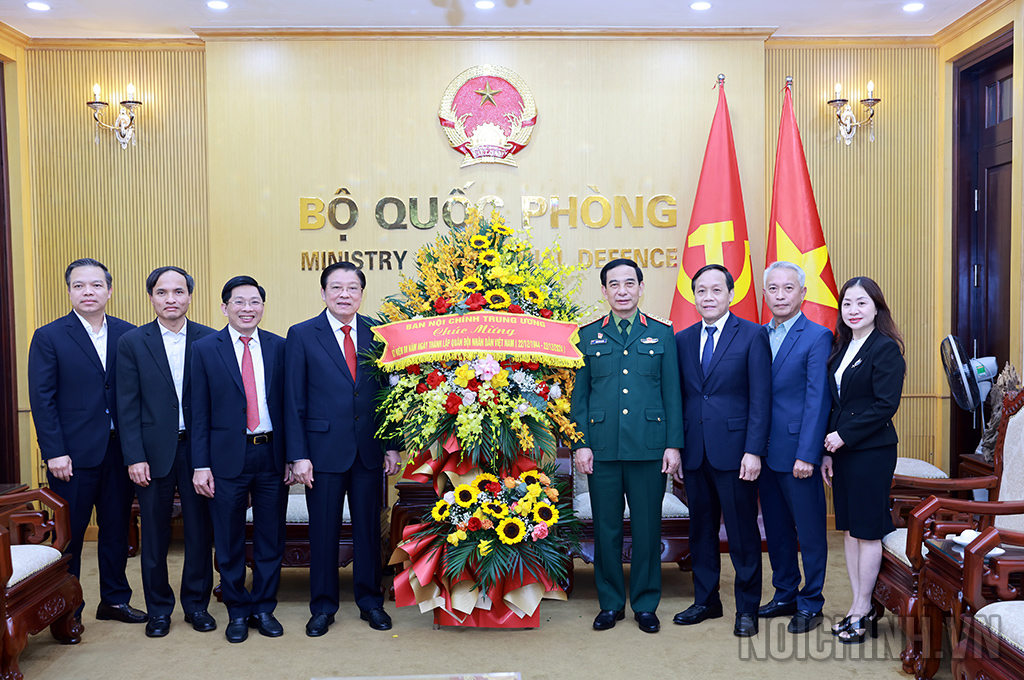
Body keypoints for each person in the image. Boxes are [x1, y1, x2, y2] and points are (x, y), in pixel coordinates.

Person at [284, 261, 401, 637]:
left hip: (368, 450)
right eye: (336, 287)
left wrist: (392, 445)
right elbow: (293, 400)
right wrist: (298, 455)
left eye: (352, 288)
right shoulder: (302, 334)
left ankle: (370, 602)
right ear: (323, 293)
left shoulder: (378, 335)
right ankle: (322, 607)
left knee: (368, 530)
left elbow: (388, 395)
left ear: (361, 294)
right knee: (324, 531)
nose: (344, 294)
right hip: (321, 452)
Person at [27, 258, 147, 625]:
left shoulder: (129, 334)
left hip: (119, 452)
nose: (88, 292)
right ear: (69, 291)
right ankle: (66, 608)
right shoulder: (49, 336)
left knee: (115, 530)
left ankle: (113, 600)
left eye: (96, 285)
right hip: (72, 456)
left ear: (109, 290)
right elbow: (42, 399)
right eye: (79, 285)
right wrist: (54, 452)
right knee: (70, 535)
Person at [569, 258, 683, 634]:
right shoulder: (586, 336)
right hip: (602, 449)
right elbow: (580, 399)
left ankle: (646, 604)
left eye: (629, 283)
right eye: (613, 285)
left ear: (640, 287)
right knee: (607, 529)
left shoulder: (662, 334)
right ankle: (611, 604)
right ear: (604, 291)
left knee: (648, 529)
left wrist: (673, 446)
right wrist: (580, 444)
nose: (622, 291)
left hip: (649, 449)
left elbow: (672, 395)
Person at [117, 266, 216, 638]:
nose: (171, 299)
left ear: (190, 296)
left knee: (199, 532)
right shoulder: (132, 341)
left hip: (199, 451)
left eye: (178, 292)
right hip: (151, 452)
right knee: (155, 536)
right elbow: (126, 405)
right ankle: (159, 609)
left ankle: (196, 606)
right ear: (152, 297)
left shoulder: (209, 339)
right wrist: (133, 456)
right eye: (162, 293)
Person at [673, 263, 771, 638]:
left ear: (731, 294)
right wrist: (679, 449)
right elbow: (681, 397)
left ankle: (746, 608)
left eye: (716, 290)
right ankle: (706, 601)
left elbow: (761, 398)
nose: (708, 297)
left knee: (743, 534)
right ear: (693, 295)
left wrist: (754, 450)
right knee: (701, 531)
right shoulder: (682, 339)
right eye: (701, 290)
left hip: (737, 453)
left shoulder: (752, 335)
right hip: (695, 452)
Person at [191, 276, 290, 643]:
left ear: (263, 308)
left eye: (254, 302)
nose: (247, 308)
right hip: (225, 459)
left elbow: (290, 408)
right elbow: (198, 411)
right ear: (224, 307)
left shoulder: (280, 347)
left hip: (271, 454)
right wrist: (201, 464)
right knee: (229, 538)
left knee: (270, 537)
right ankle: (236, 609)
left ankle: (264, 607)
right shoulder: (204, 348)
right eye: (239, 302)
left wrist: (294, 457)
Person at [821, 276, 905, 644]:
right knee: (850, 529)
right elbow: (836, 405)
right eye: (847, 304)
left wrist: (844, 436)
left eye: (861, 303)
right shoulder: (841, 348)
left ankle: (861, 609)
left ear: (876, 308)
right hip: (841, 453)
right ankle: (860, 605)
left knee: (868, 530)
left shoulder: (885, 348)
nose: (853, 311)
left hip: (871, 452)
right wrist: (827, 449)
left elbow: (885, 405)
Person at [757, 261, 832, 634]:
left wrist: (808, 453)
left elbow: (817, 400)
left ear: (803, 293)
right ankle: (784, 592)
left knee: (810, 531)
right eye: (773, 288)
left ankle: (812, 601)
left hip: (797, 452)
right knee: (778, 530)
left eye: (789, 288)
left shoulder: (817, 336)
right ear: (765, 293)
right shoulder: (757, 334)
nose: (781, 295)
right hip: (764, 452)